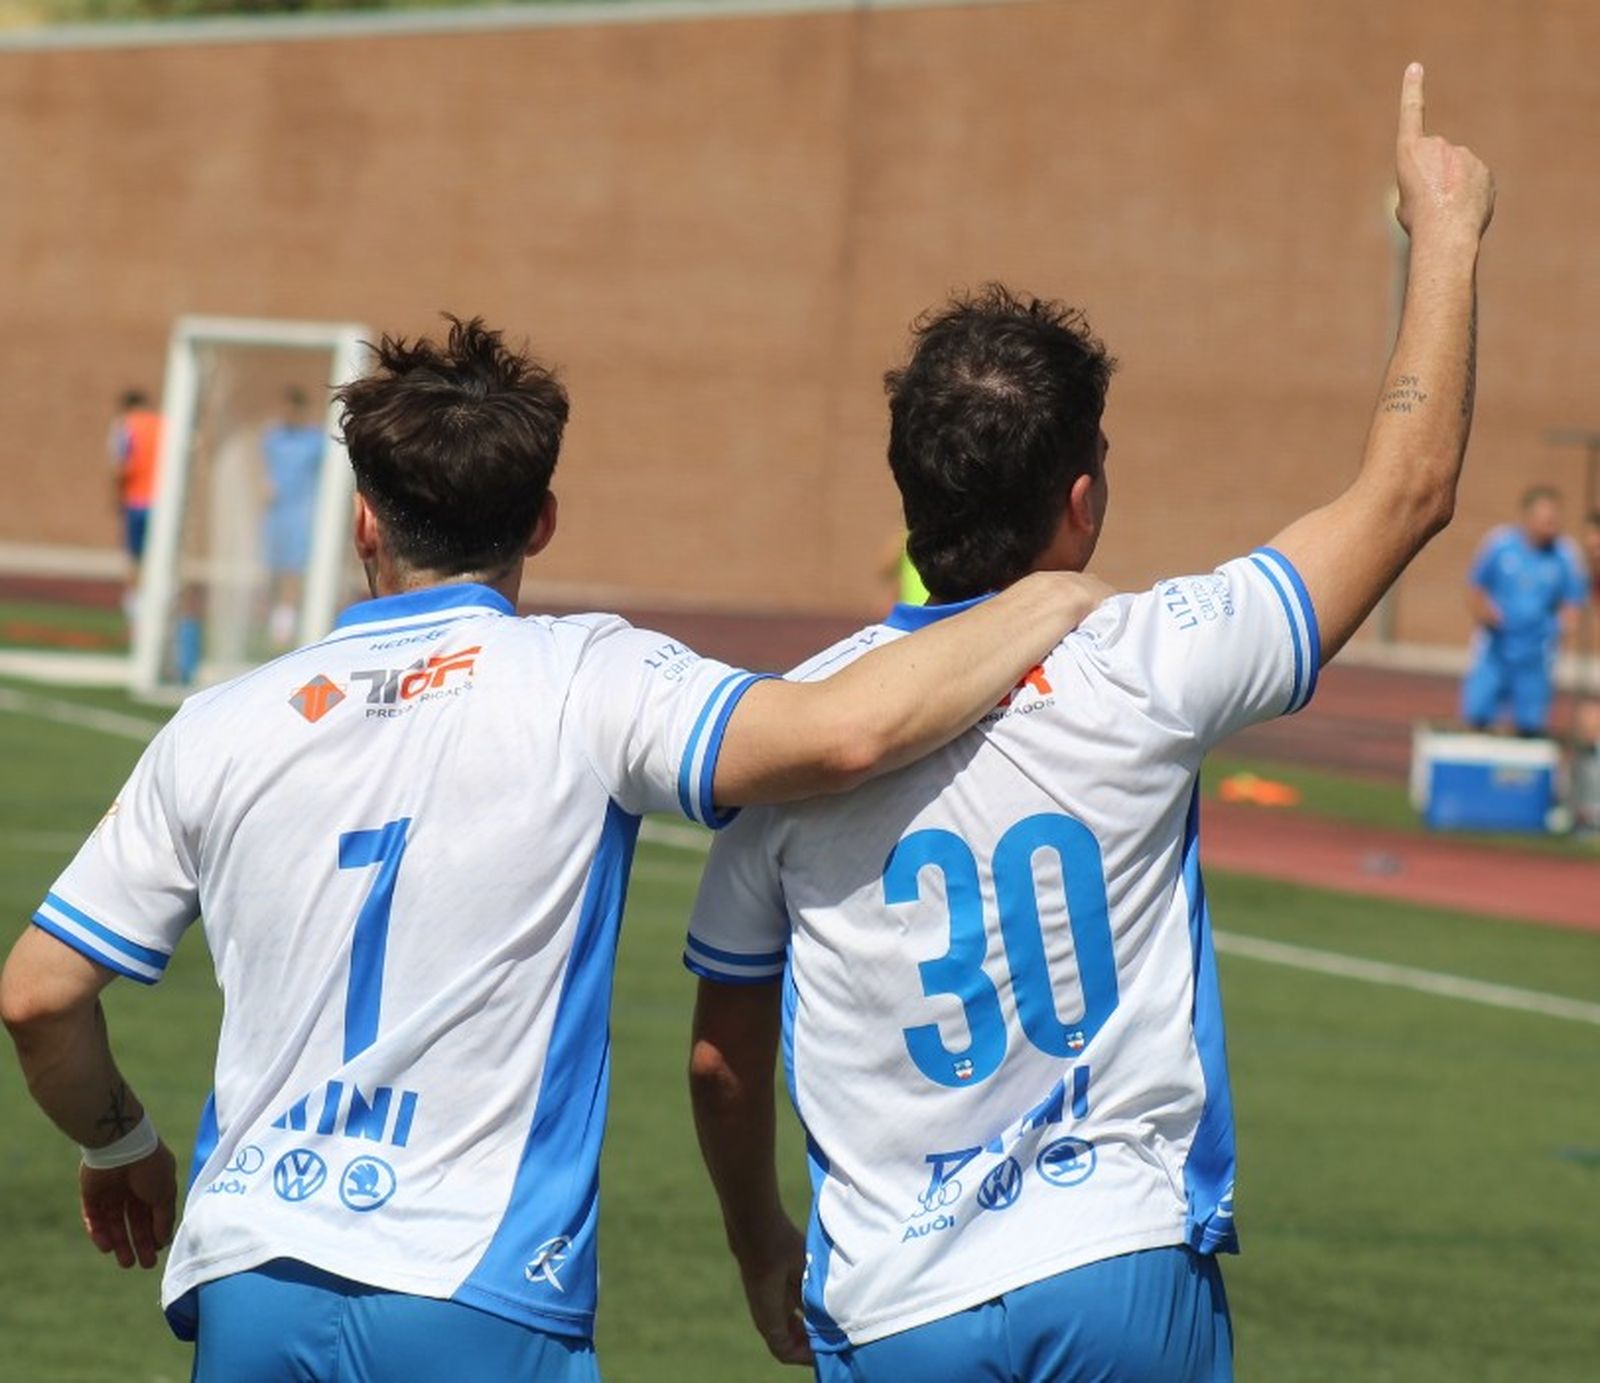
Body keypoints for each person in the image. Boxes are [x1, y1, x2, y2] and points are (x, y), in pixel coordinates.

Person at [0, 317, 1106, 1381]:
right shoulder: (592, 679)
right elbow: (847, 732)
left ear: (364, 524)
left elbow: (40, 996)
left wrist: (120, 1144)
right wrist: (1052, 596)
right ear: (542, 523)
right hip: (473, 1287)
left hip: (253, 1279)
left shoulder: (220, 725)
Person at [684, 65, 1492, 1382]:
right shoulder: (1144, 657)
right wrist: (1445, 234)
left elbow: (724, 1060)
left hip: (896, 1301)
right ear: (1080, 498)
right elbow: (1407, 489)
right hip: (1117, 1266)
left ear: (910, 489)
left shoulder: (794, 731)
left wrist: (759, 1237)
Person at [1460, 485, 1587, 736]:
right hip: (1495, 648)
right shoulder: (1499, 543)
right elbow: (1475, 586)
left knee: (1529, 727)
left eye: (1555, 521)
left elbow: (1573, 601)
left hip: (1537, 653)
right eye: (1546, 521)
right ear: (1528, 519)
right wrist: (1484, 610)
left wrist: (1564, 626)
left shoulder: (1565, 553)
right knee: (1476, 717)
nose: (1553, 527)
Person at [261, 385, 329, 649]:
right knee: (272, 569)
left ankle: (284, 627)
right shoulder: (273, 437)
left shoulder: (315, 441)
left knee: (294, 570)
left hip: (302, 513)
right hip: (275, 514)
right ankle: (274, 620)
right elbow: (265, 470)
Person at [109, 389, 164, 621]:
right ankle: (156, 603)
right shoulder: (165, 424)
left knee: (134, 556)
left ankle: (134, 608)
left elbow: (121, 465)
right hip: (162, 502)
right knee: (158, 555)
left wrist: (115, 495)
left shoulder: (126, 427)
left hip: (135, 500)